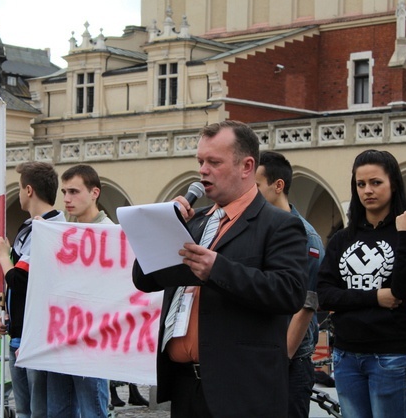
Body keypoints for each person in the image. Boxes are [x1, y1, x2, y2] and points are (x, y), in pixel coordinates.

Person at [132, 120, 308, 417]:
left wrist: (218, 270)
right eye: (200, 161)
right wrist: (164, 228)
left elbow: (289, 292)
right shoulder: (195, 222)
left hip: (243, 392)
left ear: (246, 166)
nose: (202, 170)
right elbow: (144, 279)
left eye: (214, 162)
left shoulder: (279, 225)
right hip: (186, 386)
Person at [317, 149, 406, 418]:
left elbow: (402, 290)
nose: (367, 190)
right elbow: (324, 295)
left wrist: (405, 235)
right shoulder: (342, 239)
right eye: (360, 184)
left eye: (376, 182)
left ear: (393, 184)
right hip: (346, 356)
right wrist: (375, 297)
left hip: (390, 357)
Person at [0, 161, 66, 418]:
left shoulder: (51, 227)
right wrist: (7, 315)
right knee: (24, 410)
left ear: (29, 190)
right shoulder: (31, 227)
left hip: (37, 335)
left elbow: (21, 281)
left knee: (39, 411)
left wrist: (3, 257)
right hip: (19, 331)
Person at [256, 151, 325, 418]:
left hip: (288, 361)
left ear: (278, 185)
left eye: (257, 186)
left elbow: (306, 306)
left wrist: (280, 359)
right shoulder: (256, 229)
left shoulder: (306, 237)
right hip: (258, 357)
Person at [46, 164, 112, 418]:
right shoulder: (63, 233)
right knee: (58, 412)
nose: (66, 199)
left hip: (92, 341)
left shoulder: (110, 233)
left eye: (74, 191)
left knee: (92, 410)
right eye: (64, 192)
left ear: (95, 192)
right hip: (60, 338)